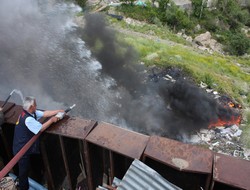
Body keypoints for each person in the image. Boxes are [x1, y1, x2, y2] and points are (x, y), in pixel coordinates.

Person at [12, 96, 64, 190]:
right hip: (21, 150)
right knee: (23, 172)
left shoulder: (28, 112)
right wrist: (52, 120)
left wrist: (57, 111)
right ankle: (23, 188)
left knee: (32, 164)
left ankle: (38, 177)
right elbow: (41, 128)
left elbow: (44, 113)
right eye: (35, 104)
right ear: (31, 106)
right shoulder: (28, 119)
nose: (36, 105)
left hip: (27, 147)